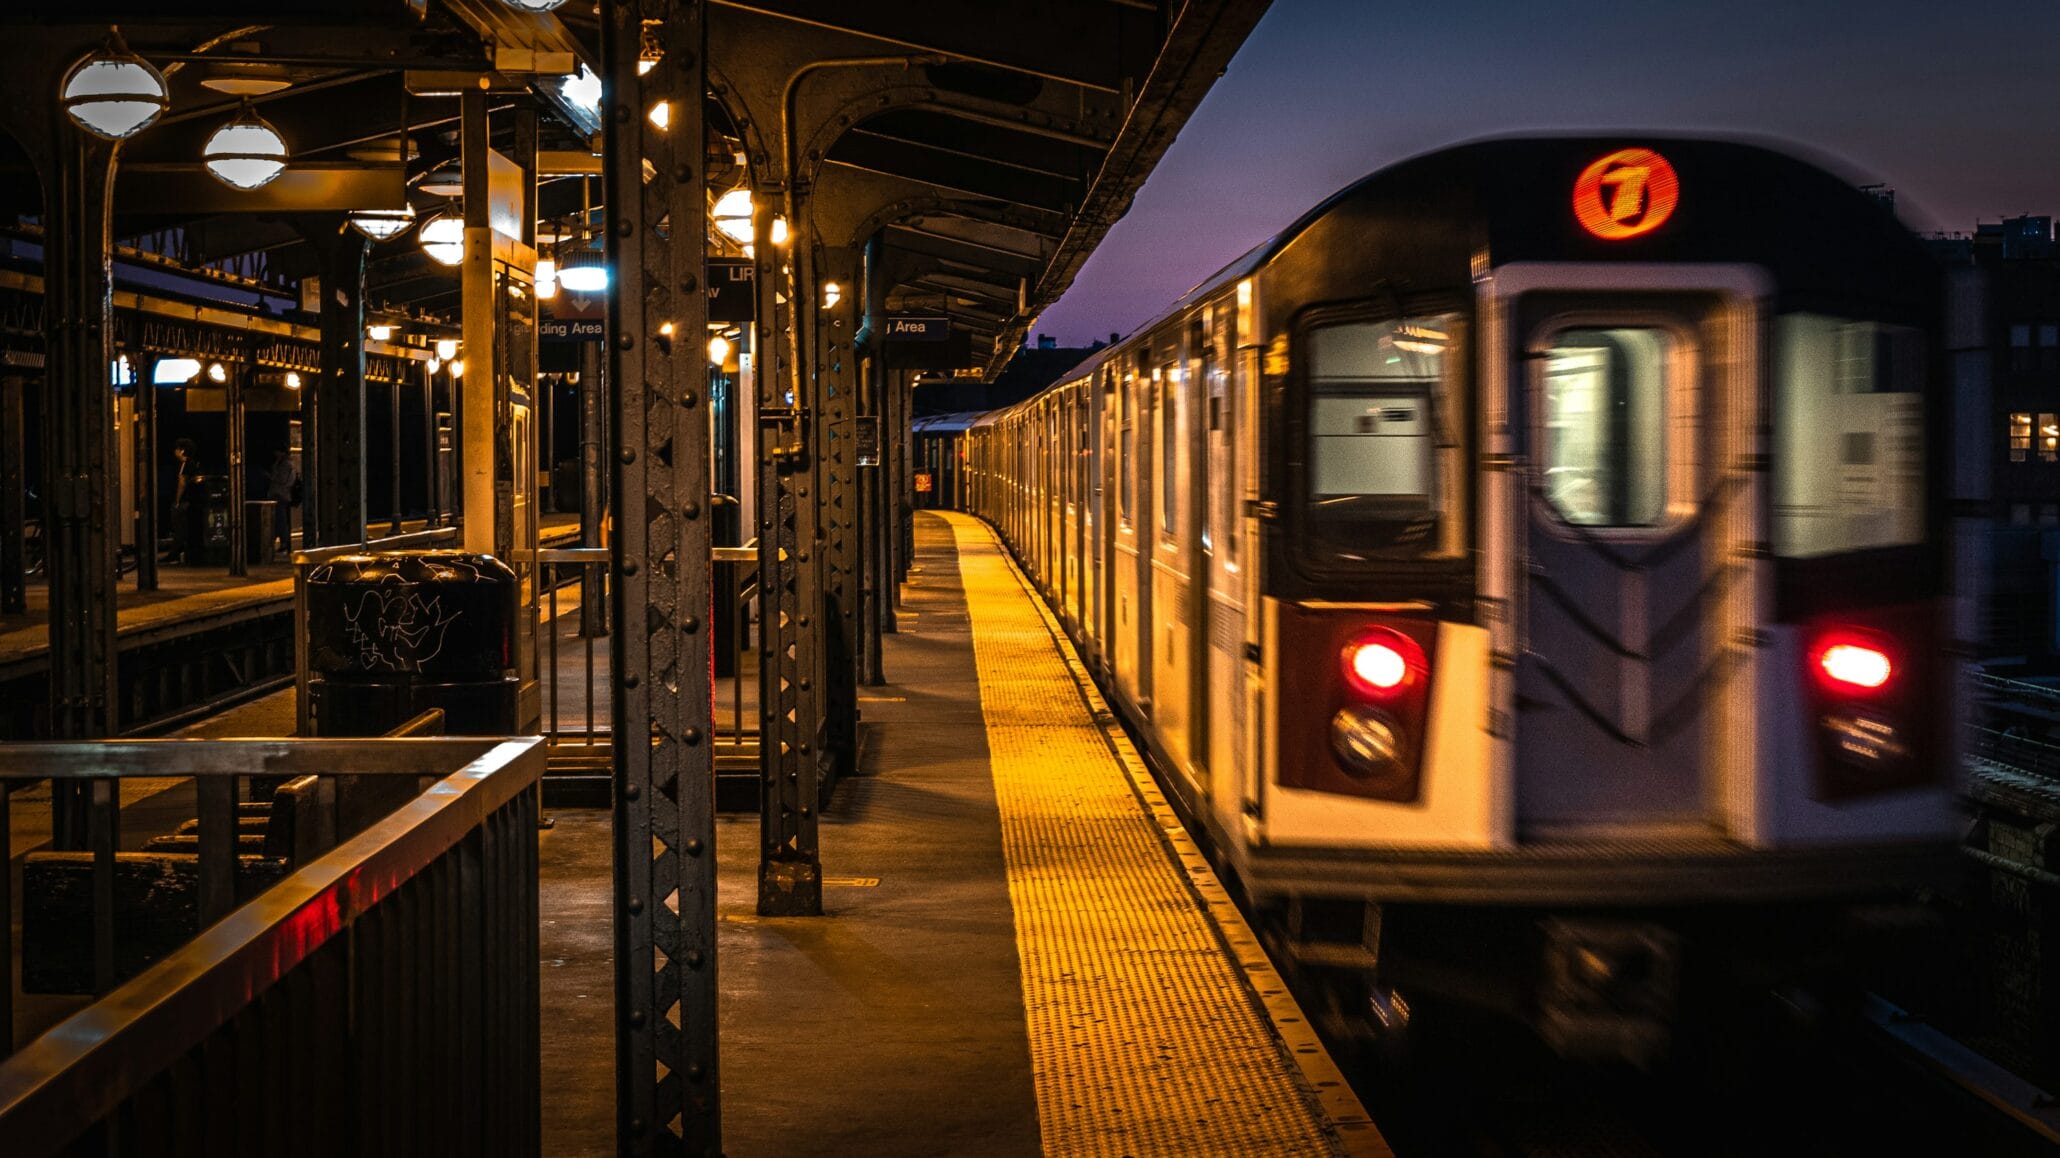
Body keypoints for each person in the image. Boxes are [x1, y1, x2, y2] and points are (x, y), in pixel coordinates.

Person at [166, 438, 197, 563]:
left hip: (183, 501)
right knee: (184, 528)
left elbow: (182, 483)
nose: (175, 451)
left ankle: (174, 554)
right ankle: (181, 554)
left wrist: (177, 501)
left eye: (177, 449)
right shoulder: (193, 463)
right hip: (190, 501)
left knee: (178, 527)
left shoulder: (185, 464)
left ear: (182, 451)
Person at [265, 447, 299, 557]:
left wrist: (271, 476)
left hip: (280, 494)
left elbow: (282, 479)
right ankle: (282, 543)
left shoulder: (285, 465)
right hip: (281, 494)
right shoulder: (284, 463)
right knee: (280, 520)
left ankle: (284, 544)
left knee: (281, 520)